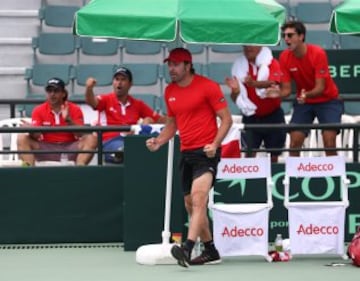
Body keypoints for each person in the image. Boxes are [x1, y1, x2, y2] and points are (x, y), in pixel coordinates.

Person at [146, 48, 233, 267]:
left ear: (187, 65)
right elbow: (172, 123)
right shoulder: (169, 91)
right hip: (186, 153)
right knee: (190, 205)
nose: (171, 69)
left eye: (176, 64)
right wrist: (158, 141)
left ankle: (187, 247)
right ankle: (211, 250)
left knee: (198, 198)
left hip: (206, 152)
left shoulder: (208, 86)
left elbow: (227, 119)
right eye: (169, 64)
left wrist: (215, 143)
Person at [266, 21, 343, 156]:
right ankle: (293, 176)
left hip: (328, 100)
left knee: (329, 141)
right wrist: (277, 94)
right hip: (304, 102)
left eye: (290, 35)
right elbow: (287, 90)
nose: (286, 39)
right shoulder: (284, 56)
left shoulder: (318, 53)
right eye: (284, 36)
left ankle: (335, 176)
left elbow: (320, 87)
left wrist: (306, 95)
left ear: (301, 36)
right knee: (294, 141)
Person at [85, 66, 166, 163]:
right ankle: (121, 154)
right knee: (123, 149)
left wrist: (179, 118)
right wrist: (89, 89)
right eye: (117, 79)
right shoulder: (106, 99)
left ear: (130, 84)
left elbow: (159, 119)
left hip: (131, 140)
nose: (119, 82)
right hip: (111, 140)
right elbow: (91, 102)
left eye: (123, 79)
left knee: (148, 121)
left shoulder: (137, 104)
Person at [225, 45, 286, 162]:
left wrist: (254, 84)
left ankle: (273, 178)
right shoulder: (239, 67)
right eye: (246, 46)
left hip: (272, 116)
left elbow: (272, 82)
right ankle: (250, 179)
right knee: (249, 154)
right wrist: (236, 91)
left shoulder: (271, 62)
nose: (248, 48)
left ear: (260, 46)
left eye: (252, 45)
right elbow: (235, 98)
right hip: (251, 116)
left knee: (274, 155)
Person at [17, 77, 97, 166]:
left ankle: (79, 170)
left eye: (56, 91)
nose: (52, 94)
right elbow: (37, 136)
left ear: (63, 93)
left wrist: (68, 120)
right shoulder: (38, 110)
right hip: (47, 148)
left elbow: (80, 134)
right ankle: (29, 173)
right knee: (22, 138)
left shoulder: (75, 109)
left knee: (92, 137)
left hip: (70, 147)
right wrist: (31, 129)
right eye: (49, 91)